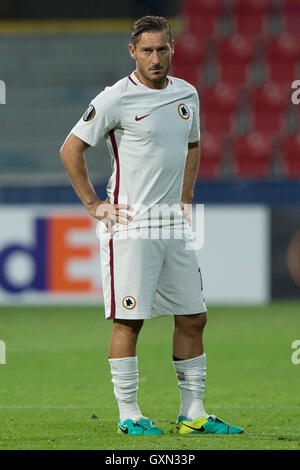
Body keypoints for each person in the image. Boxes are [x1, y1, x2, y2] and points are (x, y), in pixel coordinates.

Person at [60, 16, 243, 436]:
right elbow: (71, 149)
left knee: (194, 317)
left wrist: (184, 198)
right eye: (147, 51)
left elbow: (193, 145)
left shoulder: (187, 94)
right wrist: (94, 204)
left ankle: (192, 414)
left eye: (162, 49)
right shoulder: (115, 98)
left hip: (172, 225)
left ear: (172, 48)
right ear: (132, 53)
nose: (155, 58)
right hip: (131, 224)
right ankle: (129, 415)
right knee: (130, 322)